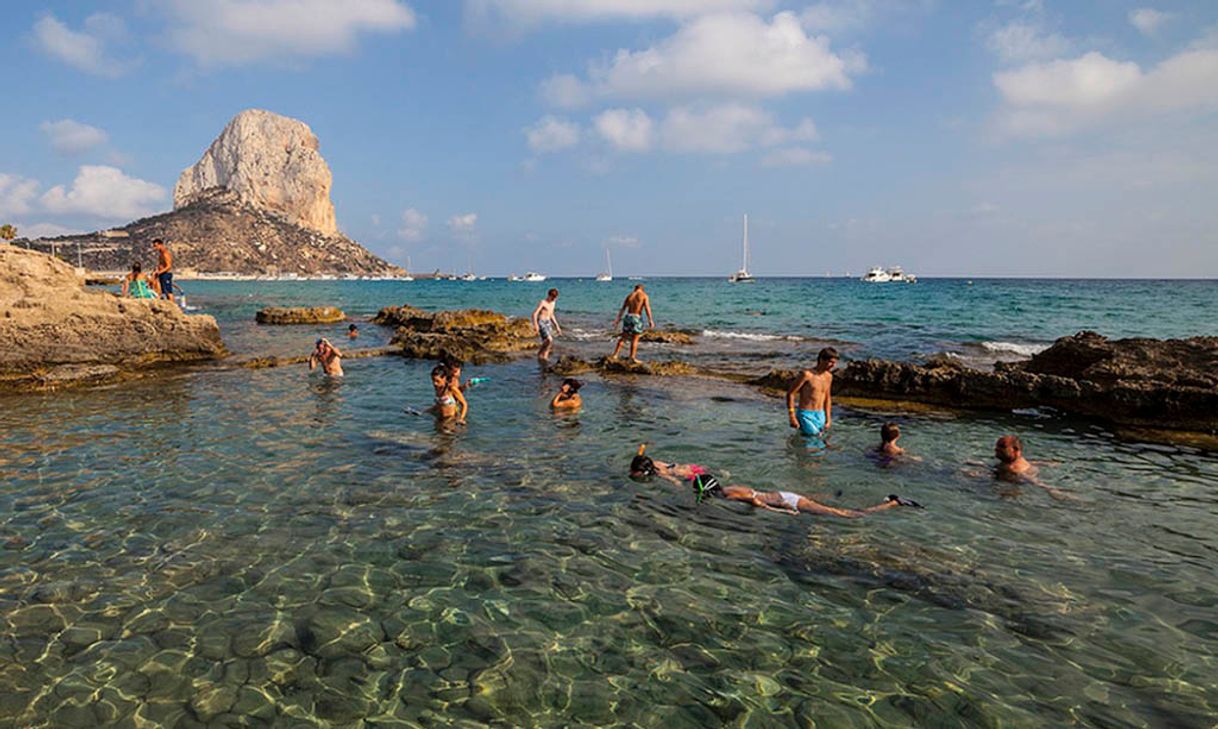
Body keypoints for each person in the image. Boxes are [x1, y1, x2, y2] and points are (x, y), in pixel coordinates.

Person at [629, 447, 922, 519]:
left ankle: (892, 503)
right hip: (785, 494)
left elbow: (757, 502)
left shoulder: (730, 497)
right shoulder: (728, 490)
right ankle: (887, 501)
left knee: (849, 516)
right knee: (834, 509)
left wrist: (783, 512)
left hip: (787, 500)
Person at [991, 435, 1075, 500]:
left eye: (1002, 446)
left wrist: (1051, 490)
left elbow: (1033, 481)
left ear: (1016, 450)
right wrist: (1044, 463)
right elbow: (1029, 463)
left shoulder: (1014, 469)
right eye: (997, 445)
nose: (997, 448)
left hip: (1016, 484)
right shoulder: (1016, 461)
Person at [787, 347, 839, 437]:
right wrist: (792, 416)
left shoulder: (829, 377)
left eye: (834, 363)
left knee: (818, 443)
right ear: (821, 360)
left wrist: (828, 418)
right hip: (806, 414)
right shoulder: (807, 375)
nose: (833, 366)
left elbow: (827, 398)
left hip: (820, 414)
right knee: (813, 439)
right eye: (831, 362)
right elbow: (791, 393)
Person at [611, 284, 654, 362]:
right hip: (636, 318)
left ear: (635, 289)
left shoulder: (629, 296)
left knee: (623, 337)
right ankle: (632, 357)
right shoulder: (644, 295)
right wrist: (650, 320)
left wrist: (617, 320)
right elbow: (647, 308)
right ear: (642, 289)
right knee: (635, 339)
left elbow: (623, 309)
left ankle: (615, 355)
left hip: (628, 317)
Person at [531, 289, 561, 362]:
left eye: (555, 298)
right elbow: (534, 314)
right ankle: (540, 353)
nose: (554, 299)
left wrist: (557, 326)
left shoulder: (553, 303)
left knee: (548, 342)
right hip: (541, 322)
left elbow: (551, 315)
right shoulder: (543, 302)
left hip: (548, 322)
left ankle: (545, 356)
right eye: (553, 297)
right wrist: (536, 325)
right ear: (549, 295)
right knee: (549, 339)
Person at [152, 239, 174, 303]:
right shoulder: (161, 254)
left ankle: (173, 307)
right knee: (164, 291)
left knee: (168, 292)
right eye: (154, 246)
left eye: (156, 246)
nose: (155, 248)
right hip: (162, 274)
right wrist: (156, 270)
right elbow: (161, 265)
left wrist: (159, 272)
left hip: (166, 274)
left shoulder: (165, 254)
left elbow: (169, 266)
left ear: (161, 245)